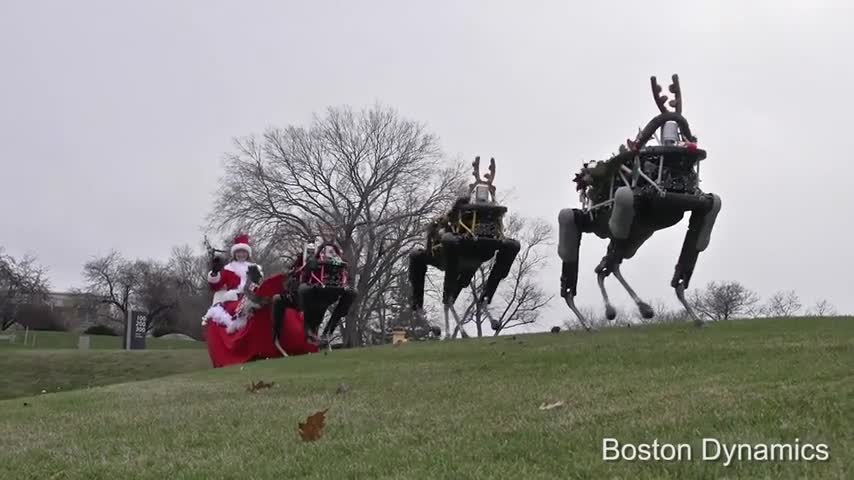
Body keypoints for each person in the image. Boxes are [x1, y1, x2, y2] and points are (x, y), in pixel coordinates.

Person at [202, 233, 264, 334]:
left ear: (248, 253)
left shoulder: (255, 268)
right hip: (233, 299)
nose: (241, 254)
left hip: (252, 298)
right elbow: (215, 286)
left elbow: (260, 286)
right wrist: (214, 274)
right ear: (234, 253)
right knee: (241, 310)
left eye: (243, 252)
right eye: (238, 252)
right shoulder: (228, 269)